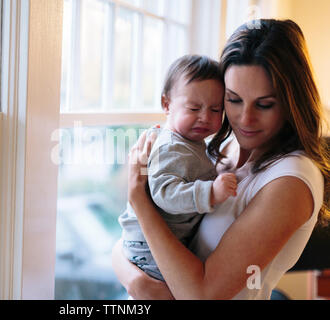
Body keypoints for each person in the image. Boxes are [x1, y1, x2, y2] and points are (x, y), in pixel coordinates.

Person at [112, 19, 330, 300]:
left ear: (292, 102)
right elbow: (126, 245)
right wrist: (136, 281)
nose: (245, 119)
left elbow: (201, 296)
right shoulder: (221, 147)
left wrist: (139, 200)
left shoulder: (290, 181)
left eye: (264, 104)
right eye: (233, 100)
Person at [118, 55, 237, 281]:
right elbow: (166, 194)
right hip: (147, 248)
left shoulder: (190, 142)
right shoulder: (170, 148)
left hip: (156, 242)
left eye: (215, 109)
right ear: (166, 105)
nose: (205, 117)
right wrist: (210, 192)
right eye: (194, 108)